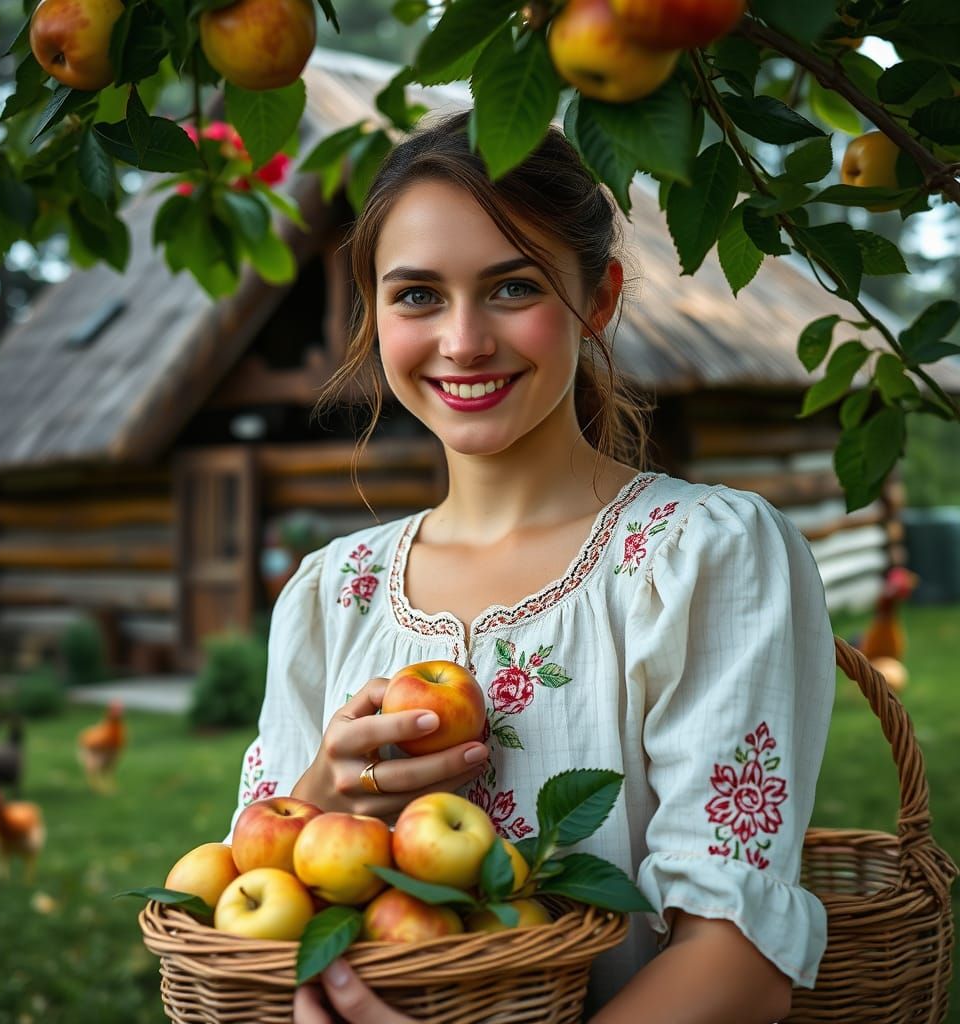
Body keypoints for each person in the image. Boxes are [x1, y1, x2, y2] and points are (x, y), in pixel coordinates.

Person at [226, 109, 836, 1024]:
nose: (464, 341)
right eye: (418, 295)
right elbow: (245, 912)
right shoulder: (330, 593)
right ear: (375, 313)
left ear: (598, 300)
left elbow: (740, 956)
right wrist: (319, 795)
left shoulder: (700, 556)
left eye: (512, 288)